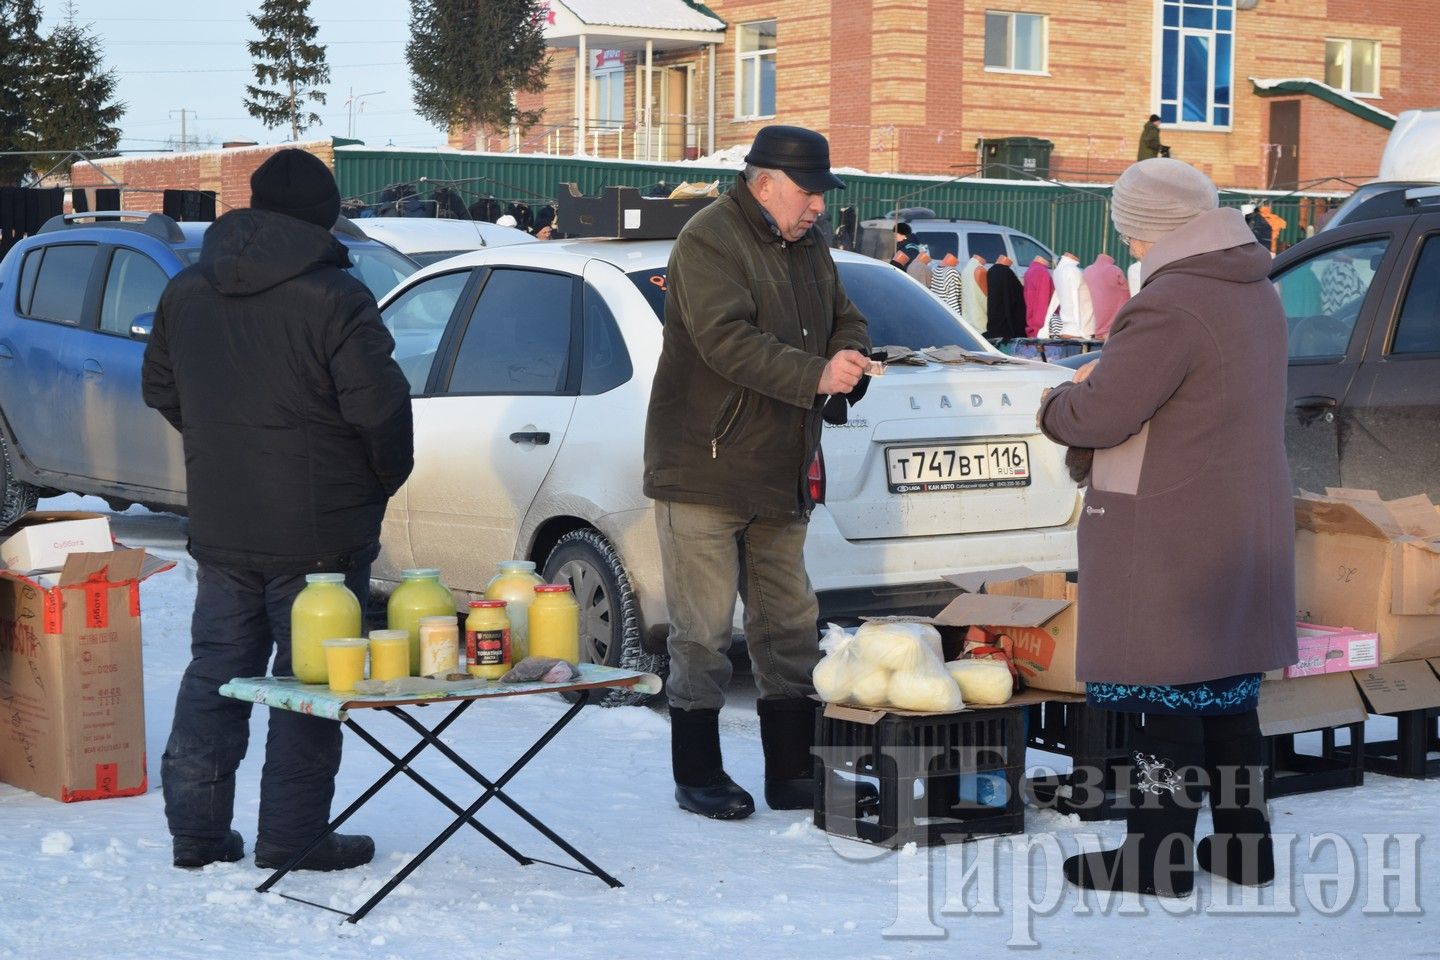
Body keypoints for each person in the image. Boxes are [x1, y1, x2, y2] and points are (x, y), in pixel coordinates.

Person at [142, 149, 415, 871]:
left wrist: (223, 452)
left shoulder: (187, 287)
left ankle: (197, 833)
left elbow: (162, 391)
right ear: (324, 218)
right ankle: (291, 837)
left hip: (225, 523)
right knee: (309, 685)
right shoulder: (336, 296)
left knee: (217, 673)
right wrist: (379, 482)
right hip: (322, 532)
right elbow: (381, 412)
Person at [1037, 157, 1296, 897]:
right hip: (1242, 516)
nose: (1131, 246)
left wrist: (1056, 400)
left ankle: (1157, 856)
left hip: (1174, 523)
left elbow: (1099, 414)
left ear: (1148, 225)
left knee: (1166, 696)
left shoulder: (1172, 300)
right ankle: (1247, 848)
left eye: (1132, 229)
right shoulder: (1254, 286)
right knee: (1226, 693)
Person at [643, 125, 871, 821]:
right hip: (704, 466)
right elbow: (724, 341)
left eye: (822, 196)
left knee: (789, 626)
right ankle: (699, 772)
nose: (818, 208)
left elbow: (847, 319)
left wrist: (850, 362)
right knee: (703, 632)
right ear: (764, 181)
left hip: (781, 465)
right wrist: (816, 375)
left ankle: (791, 772)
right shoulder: (709, 238)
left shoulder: (811, 247)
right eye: (808, 193)